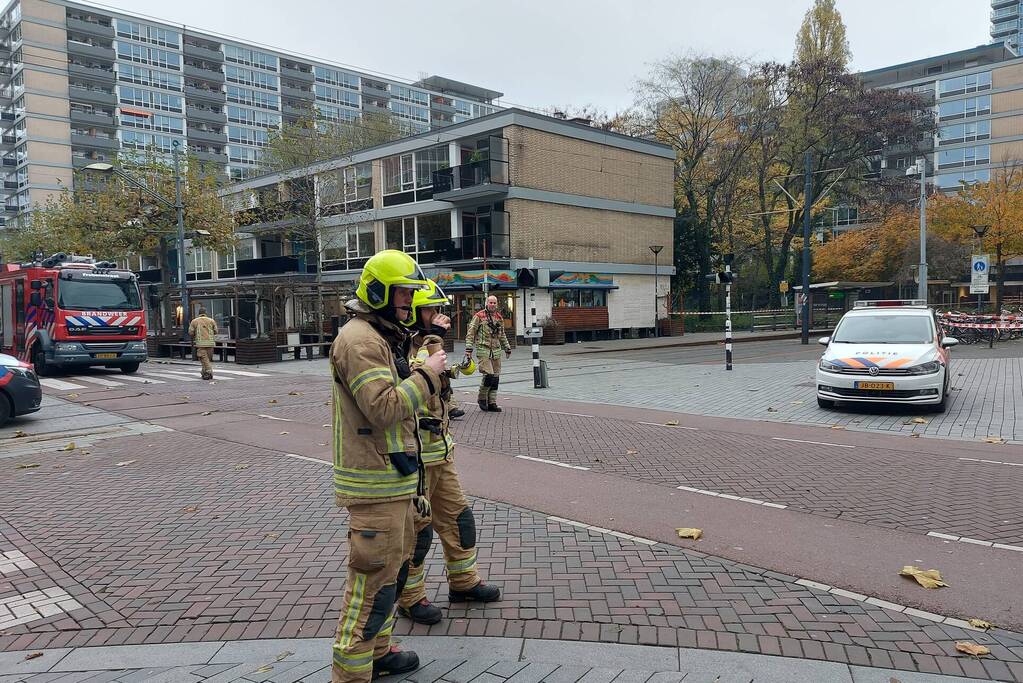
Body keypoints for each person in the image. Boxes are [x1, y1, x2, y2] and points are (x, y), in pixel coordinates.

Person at [329, 250, 447, 683]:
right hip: (374, 485)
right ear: (378, 292)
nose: (409, 302)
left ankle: (377, 653)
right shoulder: (360, 341)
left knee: (389, 577)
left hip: (393, 479)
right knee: (370, 586)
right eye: (403, 293)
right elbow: (382, 408)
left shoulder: (382, 335)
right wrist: (428, 375)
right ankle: (351, 674)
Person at [396, 280, 501, 625]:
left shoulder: (431, 343)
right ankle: (411, 599)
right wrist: (432, 344)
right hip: (415, 460)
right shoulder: (399, 346)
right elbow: (409, 388)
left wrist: (457, 363)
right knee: (418, 532)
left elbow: (444, 381)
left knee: (459, 519)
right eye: (431, 310)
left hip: (441, 453)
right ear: (415, 312)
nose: (438, 316)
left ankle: (464, 582)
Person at [465, 294, 512, 412]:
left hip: (496, 350)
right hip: (483, 349)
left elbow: (502, 334)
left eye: (494, 303)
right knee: (489, 375)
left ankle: (492, 402)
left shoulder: (499, 317)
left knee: (495, 377)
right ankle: (482, 398)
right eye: (490, 302)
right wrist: (468, 349)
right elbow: (471, 332)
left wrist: (507, 347)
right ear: (486, 303)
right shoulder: (479, 316)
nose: (492, 304)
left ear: (497, 304)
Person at [188, 307, 218, 380]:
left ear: (199, 313)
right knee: (206, 360)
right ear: (206, 313)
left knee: (204, 359)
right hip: (210, 343)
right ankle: (204, 373)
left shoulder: (194, 321)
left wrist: (196, 334)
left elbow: (191, 332)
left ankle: (208, 371)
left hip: (200, 344)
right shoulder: (211, 320)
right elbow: (216, 331)